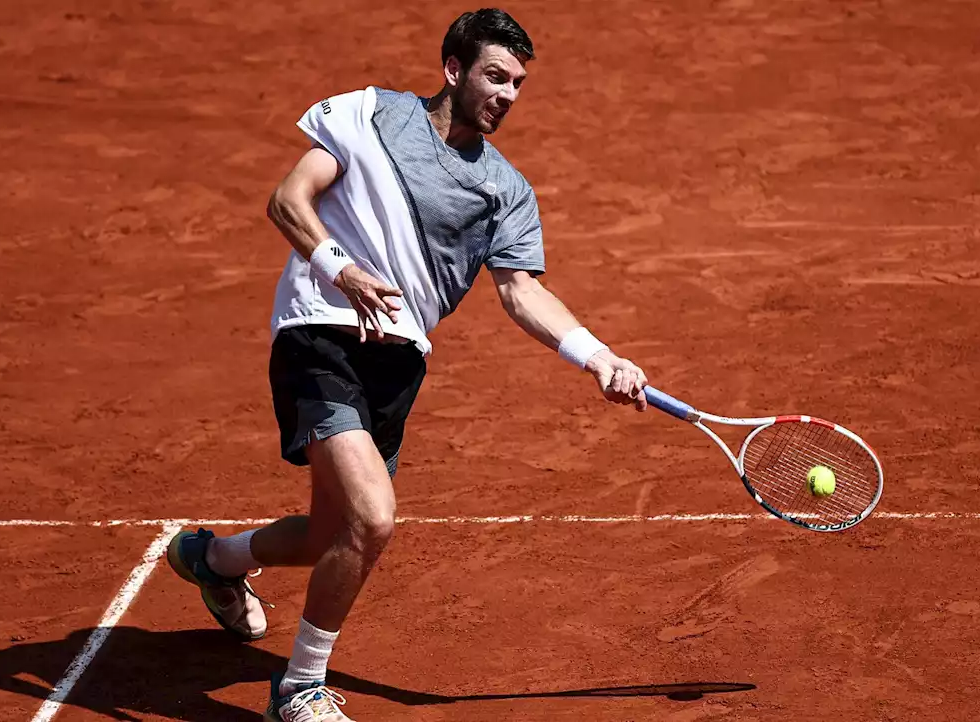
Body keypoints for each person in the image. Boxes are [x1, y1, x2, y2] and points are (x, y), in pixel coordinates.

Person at [165, 8, 649, 721]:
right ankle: (299, 690)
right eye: (495, 76)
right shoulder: (368, 115)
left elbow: (520, 292)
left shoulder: (505, 190)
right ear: (453, 69)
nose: (508, 94)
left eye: (517, 83)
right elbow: (287, 200)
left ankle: (214, 560)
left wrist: (599, 357)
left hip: (398, 363)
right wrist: (343, 270)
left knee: (335, 535)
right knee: (374, 516)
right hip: (321, 331)